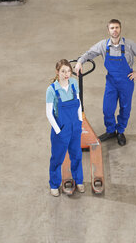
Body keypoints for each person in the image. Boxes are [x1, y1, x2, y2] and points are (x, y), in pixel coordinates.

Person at [74, 19, 136, 146]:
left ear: (120, 29)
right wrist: (80, 62)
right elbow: (89, 53)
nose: (115, 30)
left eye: (117, 27)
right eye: (112, 28)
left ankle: (120, 131)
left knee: (125, 108)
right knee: (107, 108)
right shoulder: (103, 45)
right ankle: (110, 131)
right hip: (111, 82)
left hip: (126, 81)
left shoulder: (129, 45)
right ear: (108, 30)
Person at [46, 59, 84, 197]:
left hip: (75, 127)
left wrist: (80, 122)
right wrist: (58, 131)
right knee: (57, 158)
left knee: (77, 155)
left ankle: (79, 180)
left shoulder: (74, 84)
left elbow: (79, 104)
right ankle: (54, 184)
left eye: (68, 71)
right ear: (57, 72)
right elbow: (49, 113)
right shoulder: (52, 90)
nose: (66, 74)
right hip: (61, 129)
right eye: (63, 71)